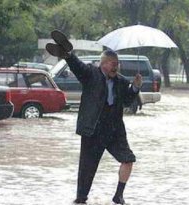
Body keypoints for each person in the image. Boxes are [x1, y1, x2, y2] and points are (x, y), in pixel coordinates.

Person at [46, 30, 142, 205]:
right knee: (87, 169)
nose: (116, 67)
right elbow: (78, 67)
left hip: (115, 130)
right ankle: (81, 199)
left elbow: (127, 102)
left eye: (118, 64)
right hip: (93, 129)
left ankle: (118, 196)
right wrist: (69, 56)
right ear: (103, 64)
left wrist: (135, 88)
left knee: (128, 159)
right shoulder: (91, 75)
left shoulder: (121, 81)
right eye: (113, 64)